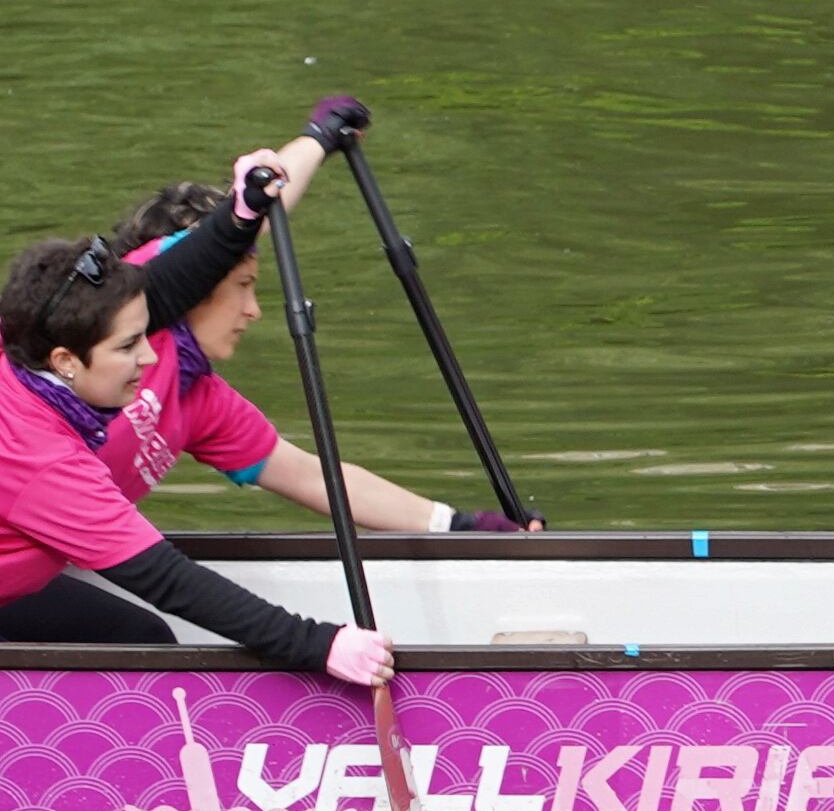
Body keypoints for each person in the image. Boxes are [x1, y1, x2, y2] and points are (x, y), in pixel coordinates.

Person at [1, 182, 398, 683]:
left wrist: (246, 210)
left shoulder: (25, 335)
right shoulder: (40, 459)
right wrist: (319, 645)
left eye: (147, 335)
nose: (149, 356)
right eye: (128, 347)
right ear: (65, 361)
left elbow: (171, 284)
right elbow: (167, 579)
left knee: (139, 640)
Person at [103, 99, 538, 535]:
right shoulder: (117, 313)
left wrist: (463, 526)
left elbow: (317, 479)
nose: (254, 310)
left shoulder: (199, 399)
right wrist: (316, 139)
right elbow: (233, 230)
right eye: (242, 285)